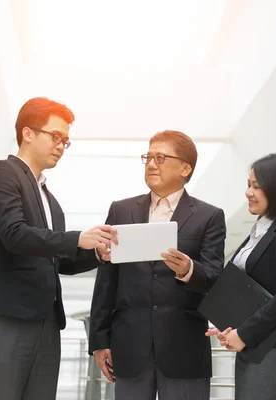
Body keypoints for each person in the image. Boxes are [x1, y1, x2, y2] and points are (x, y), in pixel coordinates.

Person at [0, 97, 118, 400]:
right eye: (55, 137)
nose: (61, 146)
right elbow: (14, 235)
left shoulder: (50, 200)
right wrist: (77, 238)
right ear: (28, 133)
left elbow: (56, 261)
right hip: (7, 317)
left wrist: (97, 254)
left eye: (66, 141)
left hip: (46, 322)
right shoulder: (2, 173)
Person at [88, 130, 226, 400]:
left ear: (186, 167)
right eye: (148, 157)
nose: (151, 164)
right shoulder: (121, 210)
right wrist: (99, 340)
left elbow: (214, 277)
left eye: (161, 157)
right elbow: (107, 280)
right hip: (129, 346)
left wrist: (188, 270)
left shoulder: (209, 216)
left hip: (184, 346)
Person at [206, 152, 276, 400]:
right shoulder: (258, 231)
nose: (248, 193)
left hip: (275, 346)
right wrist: (232, 328)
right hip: (253, 345)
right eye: (248, 185)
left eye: (257, 186)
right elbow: (248, 289)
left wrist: (243, 333)